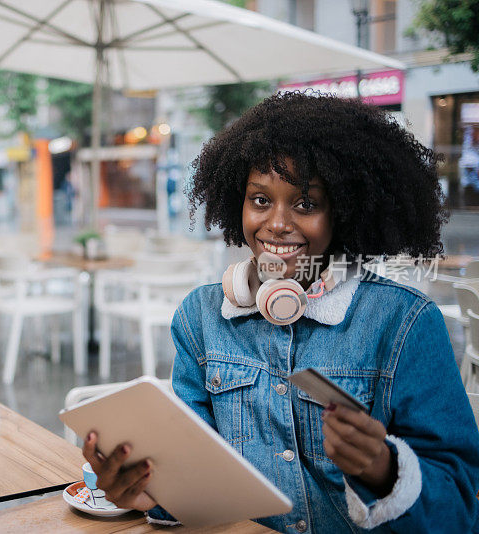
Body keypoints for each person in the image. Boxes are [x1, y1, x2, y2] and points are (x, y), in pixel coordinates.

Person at [82, 92, 479, 533]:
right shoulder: (201, 317)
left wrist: (385, 470)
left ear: (344, 212)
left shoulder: (404, 323)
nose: (276, 223)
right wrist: (149, 494)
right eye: (260, 200)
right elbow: (196, 480)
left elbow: (459, 508)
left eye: (306, 204)